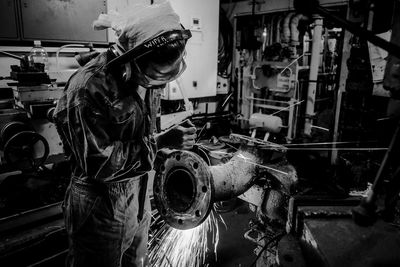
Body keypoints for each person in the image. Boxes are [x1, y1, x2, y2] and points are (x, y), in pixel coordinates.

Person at [53, 2, 196, 266]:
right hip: (100, 206)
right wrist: (160, 142)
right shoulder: (87, 90)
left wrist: (162, 149)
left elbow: (135, 136)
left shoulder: (146, 75)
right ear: (128, 63)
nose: (159, 86)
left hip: (138, 197)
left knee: (137, 261)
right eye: (154, 80)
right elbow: (101, 163)